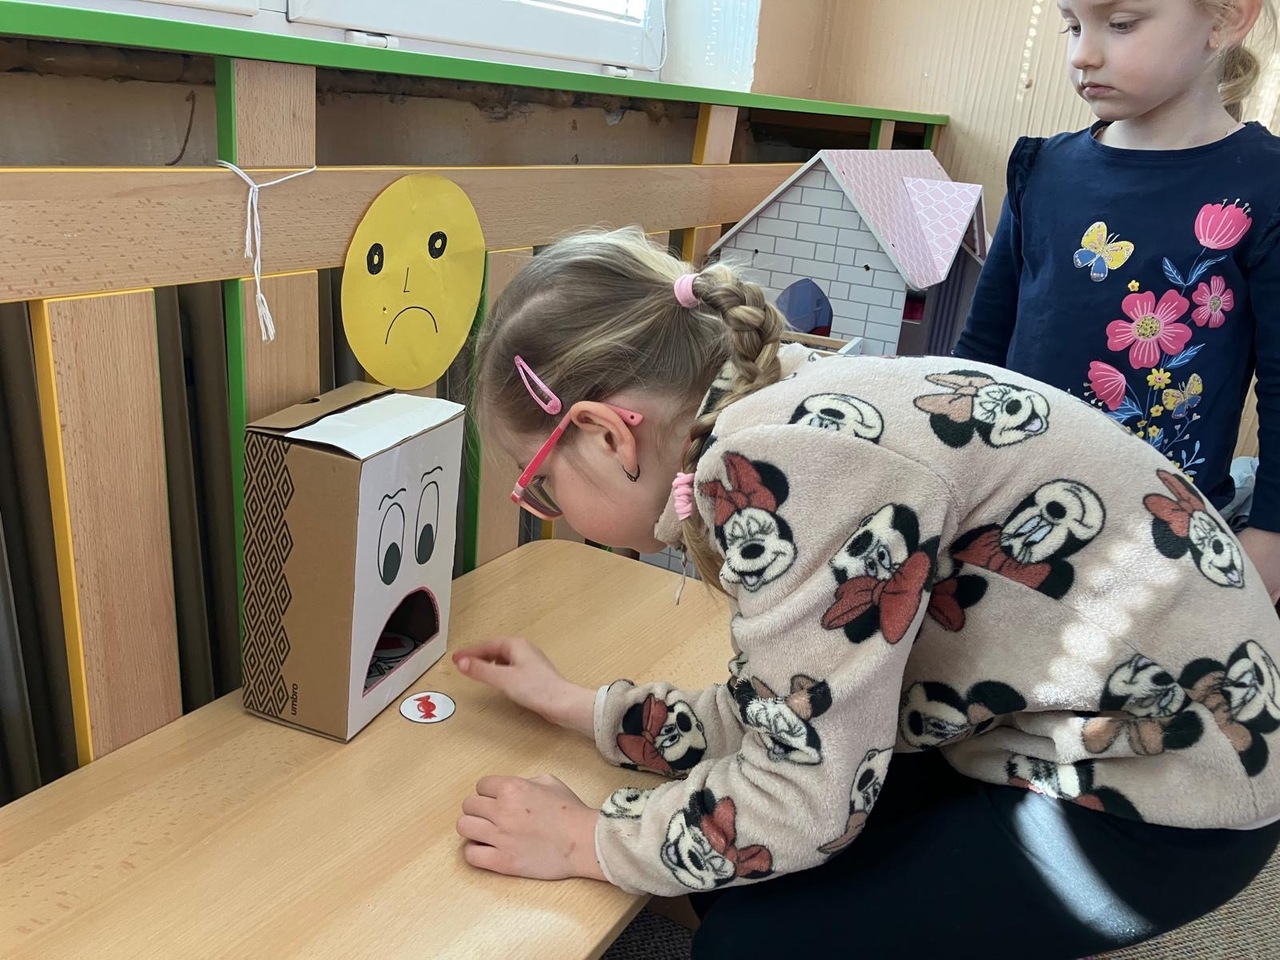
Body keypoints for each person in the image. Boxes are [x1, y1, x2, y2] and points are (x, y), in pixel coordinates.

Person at [452, 227, 1280, 959]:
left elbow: (803, 801)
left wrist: (587, 840)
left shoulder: (776, 469)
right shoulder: (783, 406)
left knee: (748, 941)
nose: (554, 513)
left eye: (540, 487)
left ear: (603, 434)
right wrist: (584, 708)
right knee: (739, 873)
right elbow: (790, 713)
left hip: (1178, 794)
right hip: (1126, 724)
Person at [954, 0, 1280, 606]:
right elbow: (981, 348)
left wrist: (1271, 535)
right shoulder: (1042, 170)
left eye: (1122, 24)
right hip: (1003, 515)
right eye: (1071, 25)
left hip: (1155, 545)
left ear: (1226, 20)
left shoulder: (1266, 187)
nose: (1083, 54)